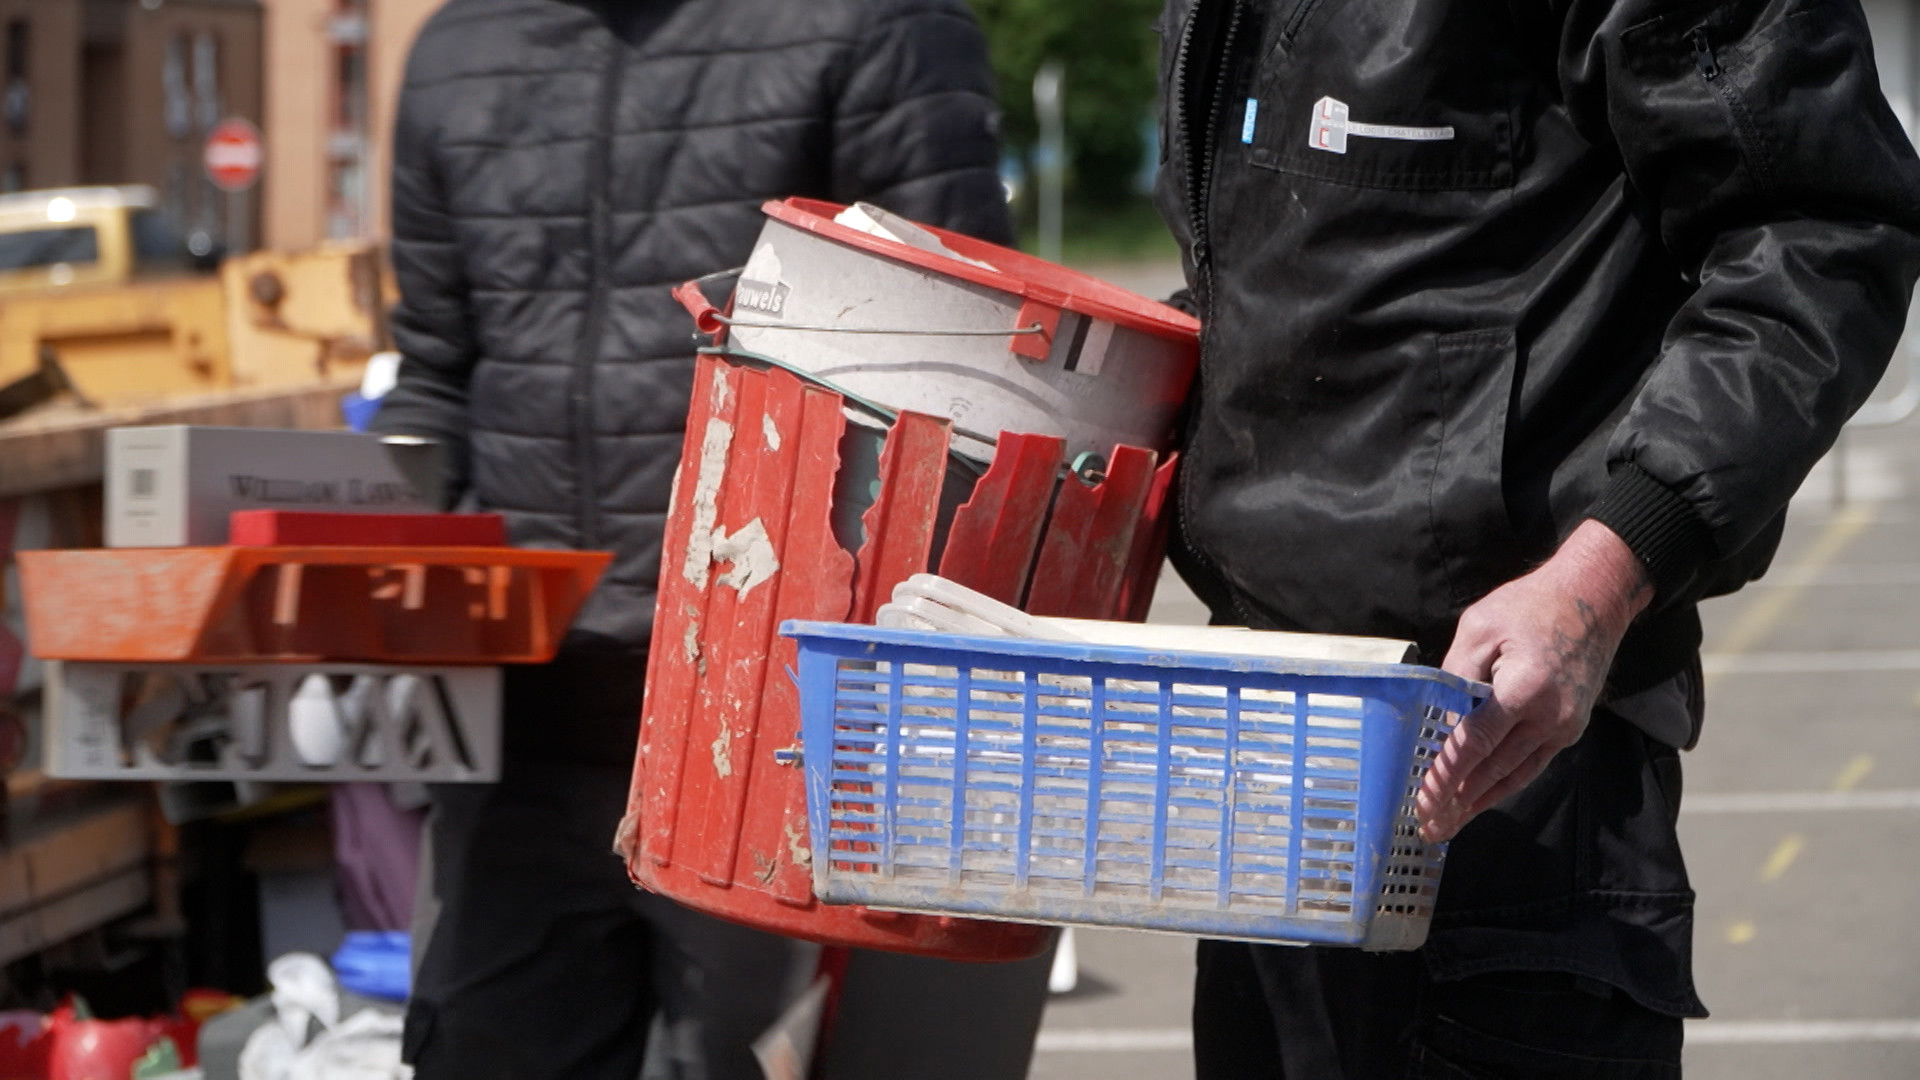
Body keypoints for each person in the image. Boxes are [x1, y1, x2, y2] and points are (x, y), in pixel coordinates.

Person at [1153, 0, 1920, 1074]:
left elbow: (1821, 230)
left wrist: (1602, 577)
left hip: (1511, 739)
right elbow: (1326, 268)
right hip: (1276, 745)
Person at [373, 2, 1028, 1077]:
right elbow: (438, 371)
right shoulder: (462, 47)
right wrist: (371, 565)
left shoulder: (873, 24)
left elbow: (962, 378)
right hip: (520, 728)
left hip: (774, 735)